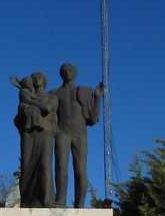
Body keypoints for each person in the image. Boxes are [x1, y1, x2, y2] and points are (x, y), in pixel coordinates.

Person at [52, 63, 104, 208]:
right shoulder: (55, 93)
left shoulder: (85, 91)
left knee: (80, 170)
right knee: (61, 166)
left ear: (75, 73)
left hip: (80, 134)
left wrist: (98, 98)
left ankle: (80, 203)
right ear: (60, 74)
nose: (67, 73)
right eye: (64, 71)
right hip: (62, 132)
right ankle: (60, 200)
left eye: (70, 70)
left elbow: (93, 119)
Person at [12, 72, 58, 208]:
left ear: (45, 81)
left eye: (40, 77)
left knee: (45, 164)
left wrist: (29, 102)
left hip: (45, 134)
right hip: (28, 134)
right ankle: (27, 200)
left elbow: (48, 108)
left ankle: (47, 199)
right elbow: (16, 119)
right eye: (34, 77)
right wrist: (24, 109)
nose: (36, 79)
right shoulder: (23, 99)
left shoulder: (51, 97)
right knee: (26, 166)